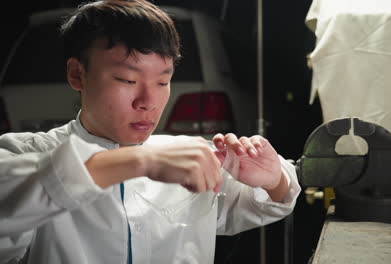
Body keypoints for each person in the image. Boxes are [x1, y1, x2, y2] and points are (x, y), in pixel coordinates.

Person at [0, 0, 301, 263]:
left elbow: (273, 196)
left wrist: (271, 177)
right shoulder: (24, 154)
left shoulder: (186, 156)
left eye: (162, 82)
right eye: (128, 80)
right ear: (77, 75)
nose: (148, 102)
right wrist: (139, 161)